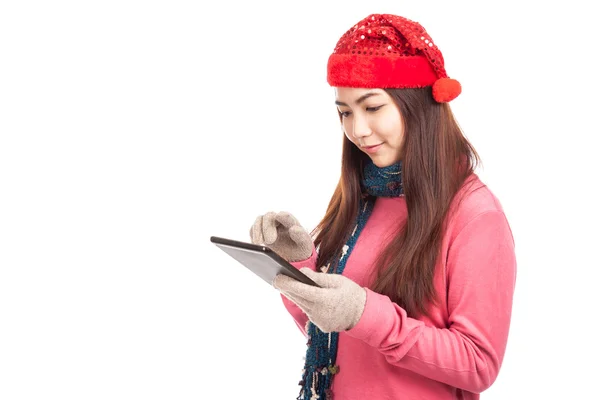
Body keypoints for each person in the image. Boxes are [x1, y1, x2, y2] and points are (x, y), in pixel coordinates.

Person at [249, 13, 516, 400]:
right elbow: (330, 338)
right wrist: (300, 267)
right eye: (345, 112)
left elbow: (478, 364)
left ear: (419, 103)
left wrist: (365, 314)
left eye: (372, 107)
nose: (357, 130)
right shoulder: (366, 196)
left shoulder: (476, 216)